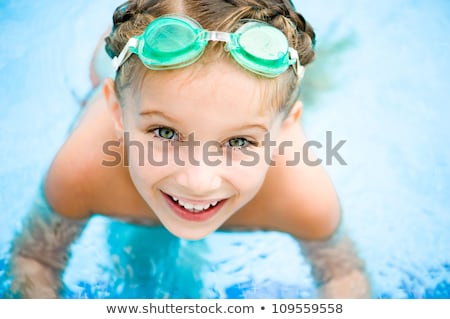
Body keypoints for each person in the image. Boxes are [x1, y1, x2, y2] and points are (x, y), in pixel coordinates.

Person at [8, 0, 371, 298]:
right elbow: (35, 260)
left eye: (239, 141)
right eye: (165, 132)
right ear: (116, 112)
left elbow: (343, 278)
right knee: (107, 63)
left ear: (287, 129)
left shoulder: (302, 196)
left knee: (310, 78)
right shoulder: (83, 170)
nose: (197, 181)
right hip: (115, 75)